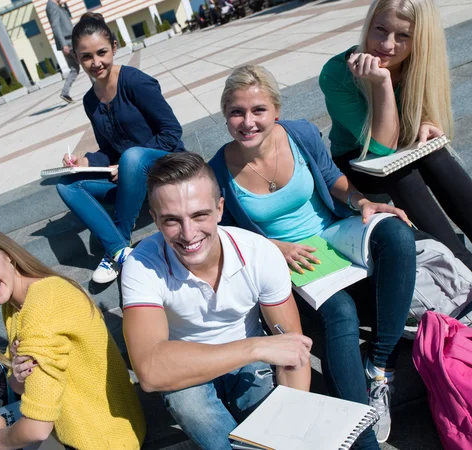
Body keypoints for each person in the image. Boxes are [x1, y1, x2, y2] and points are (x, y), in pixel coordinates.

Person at [209, 65, 417, 448]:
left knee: (396, 233)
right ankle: (360, 433)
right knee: (340, 313)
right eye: (237, 112)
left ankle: (380, 364)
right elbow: (224, 233)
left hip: (334, 231)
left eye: (258, 110)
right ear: (226, 115)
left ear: (275, 109)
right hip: (290, 257)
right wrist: (276, 249)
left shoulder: (300, 133)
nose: (248, 121)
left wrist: (363, 201)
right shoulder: (218, 171)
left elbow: (330, 175)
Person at [122, 152, 313, 450]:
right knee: (191, 405)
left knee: (275, 424)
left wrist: (289, 432)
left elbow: (295, 353)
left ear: (220, 208)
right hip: (189, 363)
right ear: (156, 220)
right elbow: (149, 372)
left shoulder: (258, 253)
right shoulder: (141, 265)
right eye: (172, 220)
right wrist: (256, 346)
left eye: (199, 215)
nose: (188, 234)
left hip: (248, 364)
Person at [0, 221, 146, 450]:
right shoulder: (15, 304)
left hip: (105, 441)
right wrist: (18, 377)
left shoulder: (42, 307)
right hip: (89, 430)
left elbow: (37, 428)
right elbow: (18, 384)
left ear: (7, 254)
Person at [319, 0, 472, 270]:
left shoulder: (418, 62)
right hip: (357, 162)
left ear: (419, 41)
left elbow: (425, 112)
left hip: (403, 149)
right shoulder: (337, 73)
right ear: (368, 26)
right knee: (399, 172)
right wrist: (382, 82)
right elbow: (381, 147)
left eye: (403, 36)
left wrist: (427, 121)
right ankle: (462, 266)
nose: (387, 45)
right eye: (380, 29)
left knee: (435, 155)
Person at [56, 13, 185, 284]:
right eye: (86, 57)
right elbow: (110, 150)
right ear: (78, 60)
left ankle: (118, 238)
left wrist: (126, 164)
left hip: (169, 168)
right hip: (131, 178)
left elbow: (172, 132)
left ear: (114, 47)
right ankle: (120, 251)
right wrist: (87, 161)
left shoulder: (136, 82)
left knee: (133, 157)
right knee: (66, 184)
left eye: (102, 52)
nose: (96, 63)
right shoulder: (90, 101)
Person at [45, 0, 80, 104]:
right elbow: (55, 26)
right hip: (68, 42)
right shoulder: (52, 6)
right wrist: (63, 44)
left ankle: (65, 92)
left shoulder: (57, 6)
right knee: (87, 62)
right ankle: (100, 89)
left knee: (74, 69)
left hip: (68, 40)